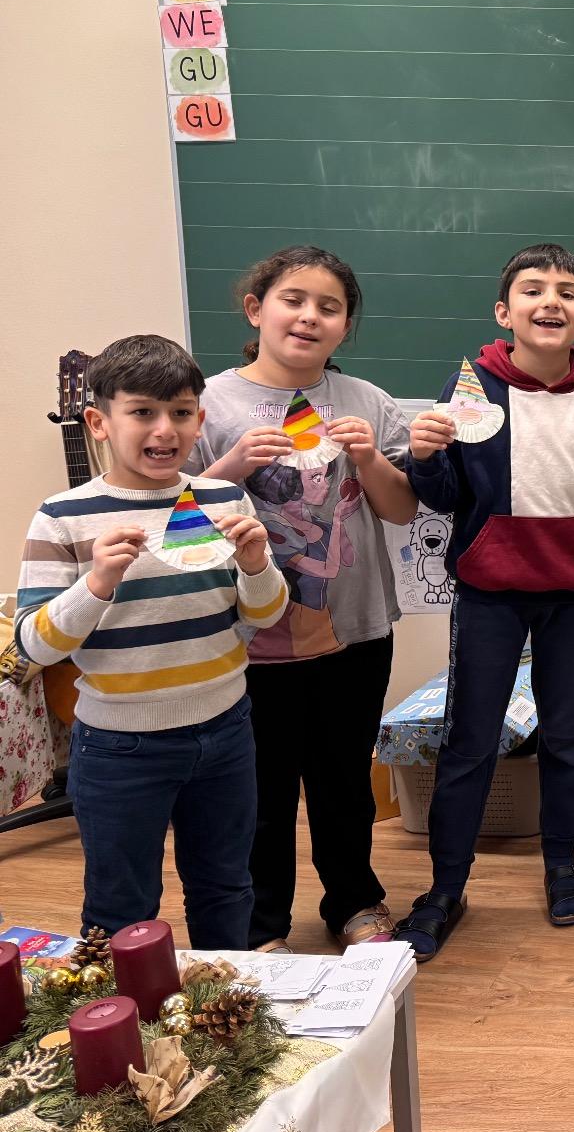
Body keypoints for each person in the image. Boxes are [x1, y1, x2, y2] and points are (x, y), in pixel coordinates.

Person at [15, 334, 287, 948]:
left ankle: (225, 1000)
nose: (165, 429)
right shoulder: (62, 515)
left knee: (226, 887)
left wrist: (255, 564)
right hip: (119, 746)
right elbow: (33, 645)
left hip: (226, 731)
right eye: (142, 412)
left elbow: (266, 614)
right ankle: (127, 1010)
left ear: (200, 419)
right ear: (99, 422)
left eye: (181, 412)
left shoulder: (224, 497)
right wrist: (97, 584)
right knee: (121, 905)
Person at [393, 244, 574, 960]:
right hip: (490, 592)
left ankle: (562, 863)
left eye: (567, 292)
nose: (550, 301)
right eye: (532, 289)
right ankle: (446, 887)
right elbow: (445, 497)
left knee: (566, 735)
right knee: (469, 738)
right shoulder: (471, 385)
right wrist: (424, 457)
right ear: (504, 312)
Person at [191, 245, 418, 952]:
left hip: (354, 628)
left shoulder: (367, 402)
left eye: (330, 307)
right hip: (244, 640)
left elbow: (401, 508)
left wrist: (368, 457)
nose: (309, 317)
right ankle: (262, 923)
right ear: (254, 310)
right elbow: (177, 525)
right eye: (293, 300)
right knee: (258, 789)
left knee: (344, 777)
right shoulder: (207, 404)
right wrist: (231, 467)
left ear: (345, 326)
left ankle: (354, 899)